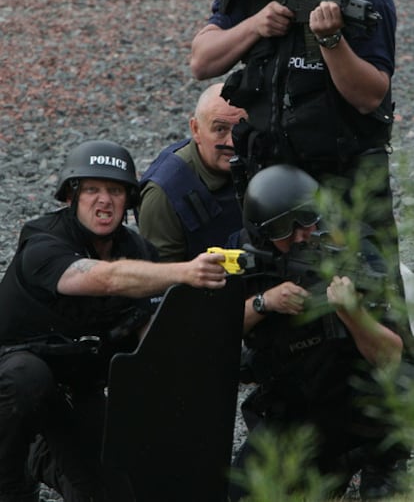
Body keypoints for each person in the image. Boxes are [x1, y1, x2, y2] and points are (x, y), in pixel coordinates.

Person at [190, 0, 401, 290]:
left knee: (372, 299)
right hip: (271, 181)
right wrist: (255, 25)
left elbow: (371, 96)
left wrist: (332, 42)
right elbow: (202, 61)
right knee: (274, 296)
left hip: (347, 184)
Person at [0, 140, 226, 502]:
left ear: (128, 201)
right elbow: (101, 278)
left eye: (115, 190)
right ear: (71, 197)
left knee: (112, 494)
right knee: (25, 379)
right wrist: (186, 272)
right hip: (14, 374)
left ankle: (40, 456)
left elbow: (150, 340)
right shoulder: (42, 241)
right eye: (91, 189)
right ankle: (10, 482)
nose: (103, 200)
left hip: (79, 386)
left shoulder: (140, 254)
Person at [227, 164, 412, 501]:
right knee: (241, 491)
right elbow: (211, 337)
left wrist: (352, 314)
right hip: (296, 409)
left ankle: (380, 463)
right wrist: (262, 302)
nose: (301, 235)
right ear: (261, 232)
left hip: (360, 408)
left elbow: (392, 356)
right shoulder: (243, 257)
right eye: (285, 227)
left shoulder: (356, 251)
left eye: (308, 218)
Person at [139, 82, 247, 261]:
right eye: (220, 129)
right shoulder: (165, 192)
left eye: (240, 128)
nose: (232, 142)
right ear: (196, 129)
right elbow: (161, 280)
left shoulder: (260, 159)